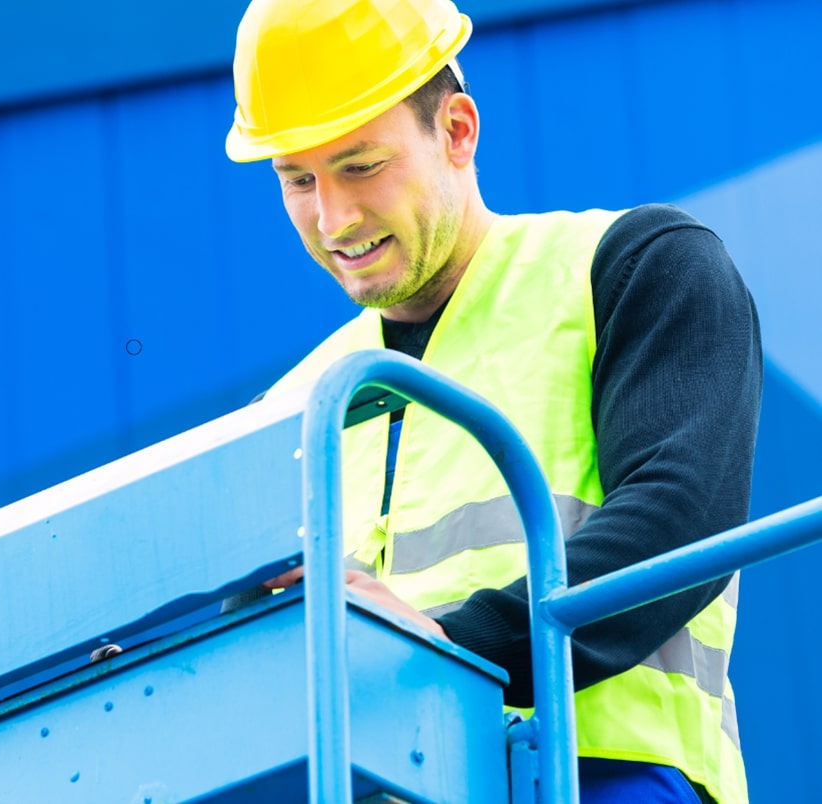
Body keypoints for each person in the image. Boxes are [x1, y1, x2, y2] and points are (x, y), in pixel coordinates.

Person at [225, 1, 761, 802]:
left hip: (600, 776)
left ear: (457, 130)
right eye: (298, 179)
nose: (333, 218)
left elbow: (678, 522)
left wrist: (450, 652)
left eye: (362, 165)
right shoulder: (291, 406)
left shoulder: (630, 269)